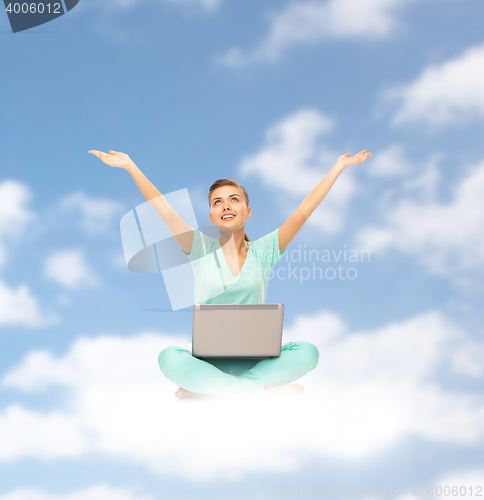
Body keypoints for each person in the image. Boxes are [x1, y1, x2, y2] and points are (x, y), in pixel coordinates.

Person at [89, 148, 372, 402]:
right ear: (212, 217)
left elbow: (303, 211)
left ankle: (215, 389)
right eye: (217, 202)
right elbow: (163, 209)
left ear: (247, 211)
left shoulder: (266, 251)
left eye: (234, 200)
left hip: (257, 362)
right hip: (208, 362)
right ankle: (261, 390)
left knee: (308, 352)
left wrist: (337, 167)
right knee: (168, 358)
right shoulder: (198, 247)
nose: (226, 206)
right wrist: (130, 166)